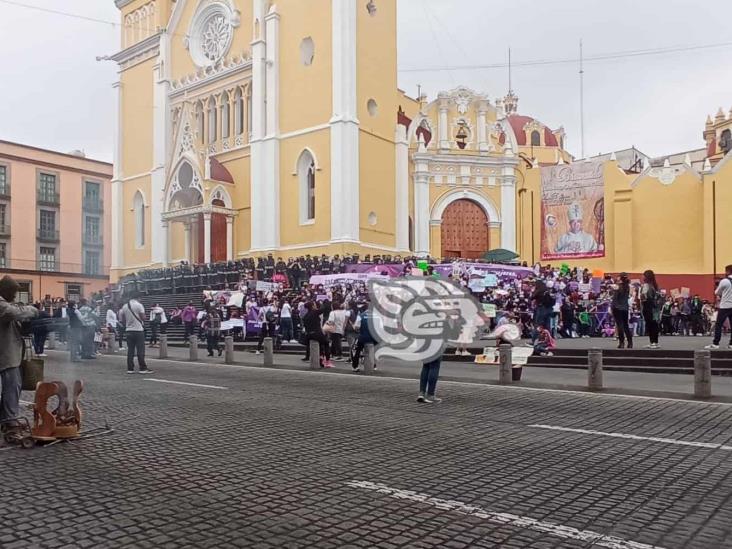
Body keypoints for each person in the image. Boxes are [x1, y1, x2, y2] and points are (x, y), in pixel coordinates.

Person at [0, 276, 39, 436]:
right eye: (14, 293)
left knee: (11, 387)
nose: (15, 296)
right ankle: (10, 421)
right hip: (5, 354)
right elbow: (15, 312)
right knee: (12, 388)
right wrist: (34, 310)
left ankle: (5, 419)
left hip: (7, 353)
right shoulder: (2, 305)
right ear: (5, 291)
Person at [117, 292, 152, 374]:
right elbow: (143, 318)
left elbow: (122, 319)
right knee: (140, 350)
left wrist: (129, 322)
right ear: (138, 297)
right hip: (138, 330)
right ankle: (142, 368)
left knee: (130, 350)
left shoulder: (125, 306)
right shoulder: (139, 305)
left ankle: (130, 368)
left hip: (128, 330)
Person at [706, 264, 732, 350]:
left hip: (725, 305)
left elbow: (717, 292)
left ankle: (716, 343)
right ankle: (731, 344)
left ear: (727, 271)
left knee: (718, 324)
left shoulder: (724, 281)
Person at [302, 301, 331, 367]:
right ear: (312, 306)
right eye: (314, 305)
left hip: (309, 335)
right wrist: (322, 303)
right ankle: (327, 361)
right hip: (317, 333)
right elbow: (324, 308)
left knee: (320, 345)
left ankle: (320, 359)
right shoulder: (315, 312)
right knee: (326, 343)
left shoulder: (305, 316)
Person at [351, 303, 376, 373]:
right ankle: (374, 365)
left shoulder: (361, 316)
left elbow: (356, 327)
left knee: (356, 350)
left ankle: (355, 366)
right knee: (375, 350)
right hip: (374, 339)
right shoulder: (377, 316)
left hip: (363, 338)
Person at [640, 270, 662, 349]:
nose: (642, 277)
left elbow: (644, 297)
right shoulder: (654, 285)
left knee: (651, 325)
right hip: (654, 308)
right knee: (654, 324)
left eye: (643, 275)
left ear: (646, 277)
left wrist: (641, 296)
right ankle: (654, 342)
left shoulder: (646, 286)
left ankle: (653, 342)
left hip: (648, 307)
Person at [611, 273, 633, 349]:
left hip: (617, 308)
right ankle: (630, 342)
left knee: (619, 325)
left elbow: (615, 298)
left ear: (620, 278)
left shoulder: (617, 287)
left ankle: (621, 342)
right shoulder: (627, 287)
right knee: (626, 325)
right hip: (625, 308)